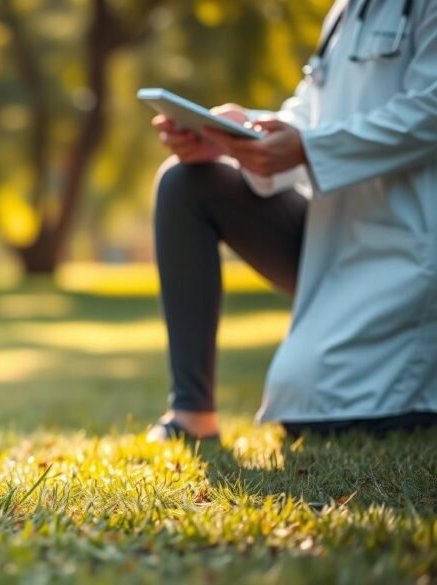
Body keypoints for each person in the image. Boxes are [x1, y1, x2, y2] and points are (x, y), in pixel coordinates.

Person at [147, 0, 437, 440]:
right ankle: (191, 416)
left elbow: (429, 112)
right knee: (185, 185)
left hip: (408, 242)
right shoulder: (347, 8)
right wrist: (246, 133)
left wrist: (310, 148)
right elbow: (313, 109)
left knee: (310, 408)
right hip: (331, 231)